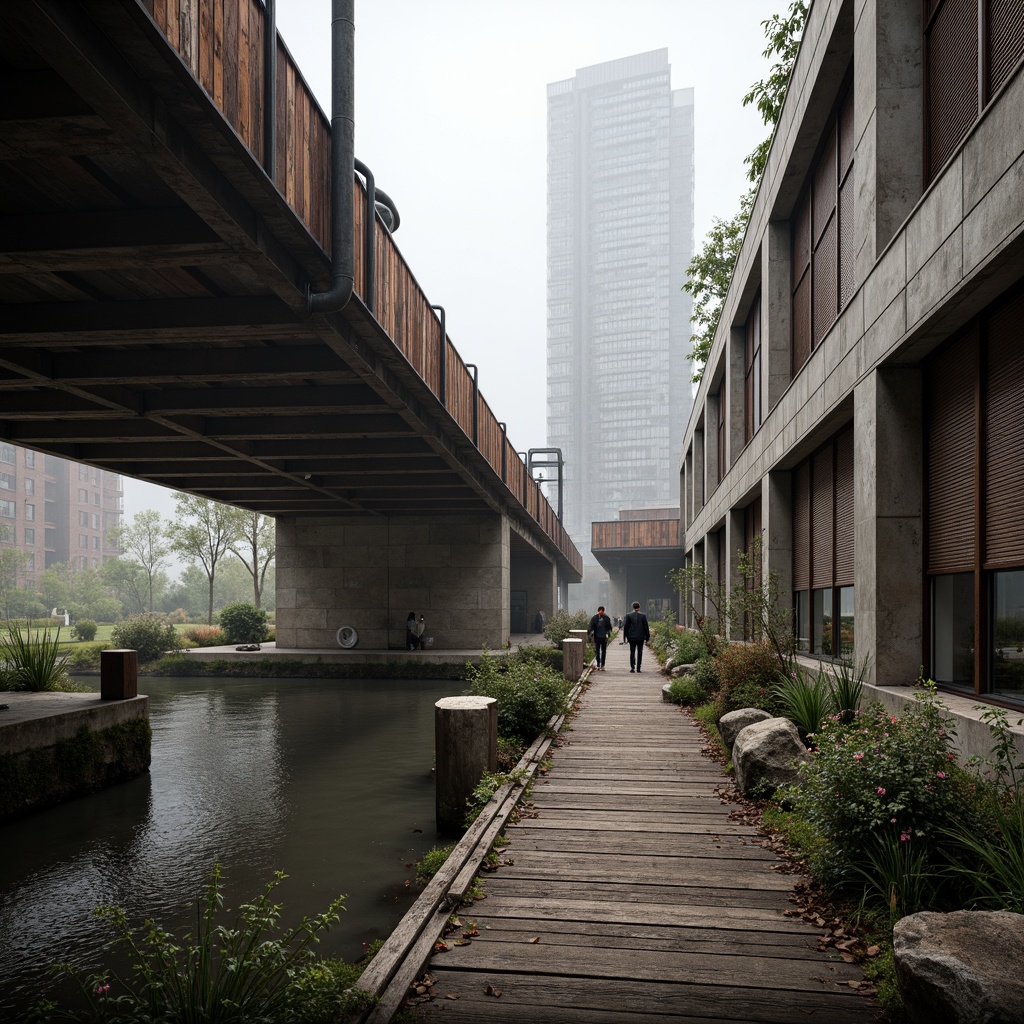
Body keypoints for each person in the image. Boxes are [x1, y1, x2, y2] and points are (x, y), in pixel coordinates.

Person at [623, 601, 650, 673]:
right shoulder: (643, 616)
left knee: (632, 652)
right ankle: (638, 668)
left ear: (633, 607)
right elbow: (646, 627)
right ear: (639, 607)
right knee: (640, 652)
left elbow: (626, 627)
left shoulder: (629, 615)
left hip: (632, 637)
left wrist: (625, 637)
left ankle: (632, 667)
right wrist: (647, 637)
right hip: (640, 637)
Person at [588, 605, 613, 671]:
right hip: (597, 637)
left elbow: (609, 627)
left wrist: (608, 633)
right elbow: (591, 627)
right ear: (598, 611)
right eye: (600, 611)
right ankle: (598, 664)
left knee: (603, 651)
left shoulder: (606, 618)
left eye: (602, 611)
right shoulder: (595, 618)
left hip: (603, 637)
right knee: (597, 651)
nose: (601, 612)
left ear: (603, 611)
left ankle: (602, 665)